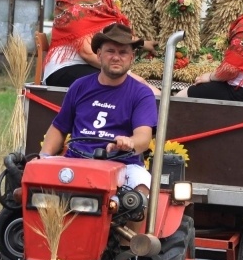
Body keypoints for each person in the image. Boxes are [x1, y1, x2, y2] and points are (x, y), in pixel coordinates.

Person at [40, 23, 158, 232]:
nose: (116, 57)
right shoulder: (80, 86)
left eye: (123, 52)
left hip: (122, 165)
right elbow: (59, 127)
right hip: (76, 161)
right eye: (110, 51)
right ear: (99, 54)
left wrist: (129, 142)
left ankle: (129, 251)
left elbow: (143, 137)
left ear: (132, 58)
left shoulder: (141, 93)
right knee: (34, 186)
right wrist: (43, 158)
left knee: (141, 189)